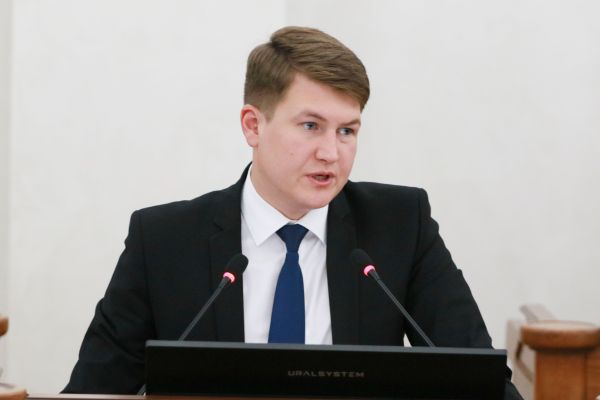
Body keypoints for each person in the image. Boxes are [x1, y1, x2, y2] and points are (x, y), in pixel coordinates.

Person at [64, 26, 522, 398]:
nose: (331, 153)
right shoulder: (163, 241)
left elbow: (479, 380)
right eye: (310, 126)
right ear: (253, 125)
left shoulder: (401, 225)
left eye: (347, 131)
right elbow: (94, 391)